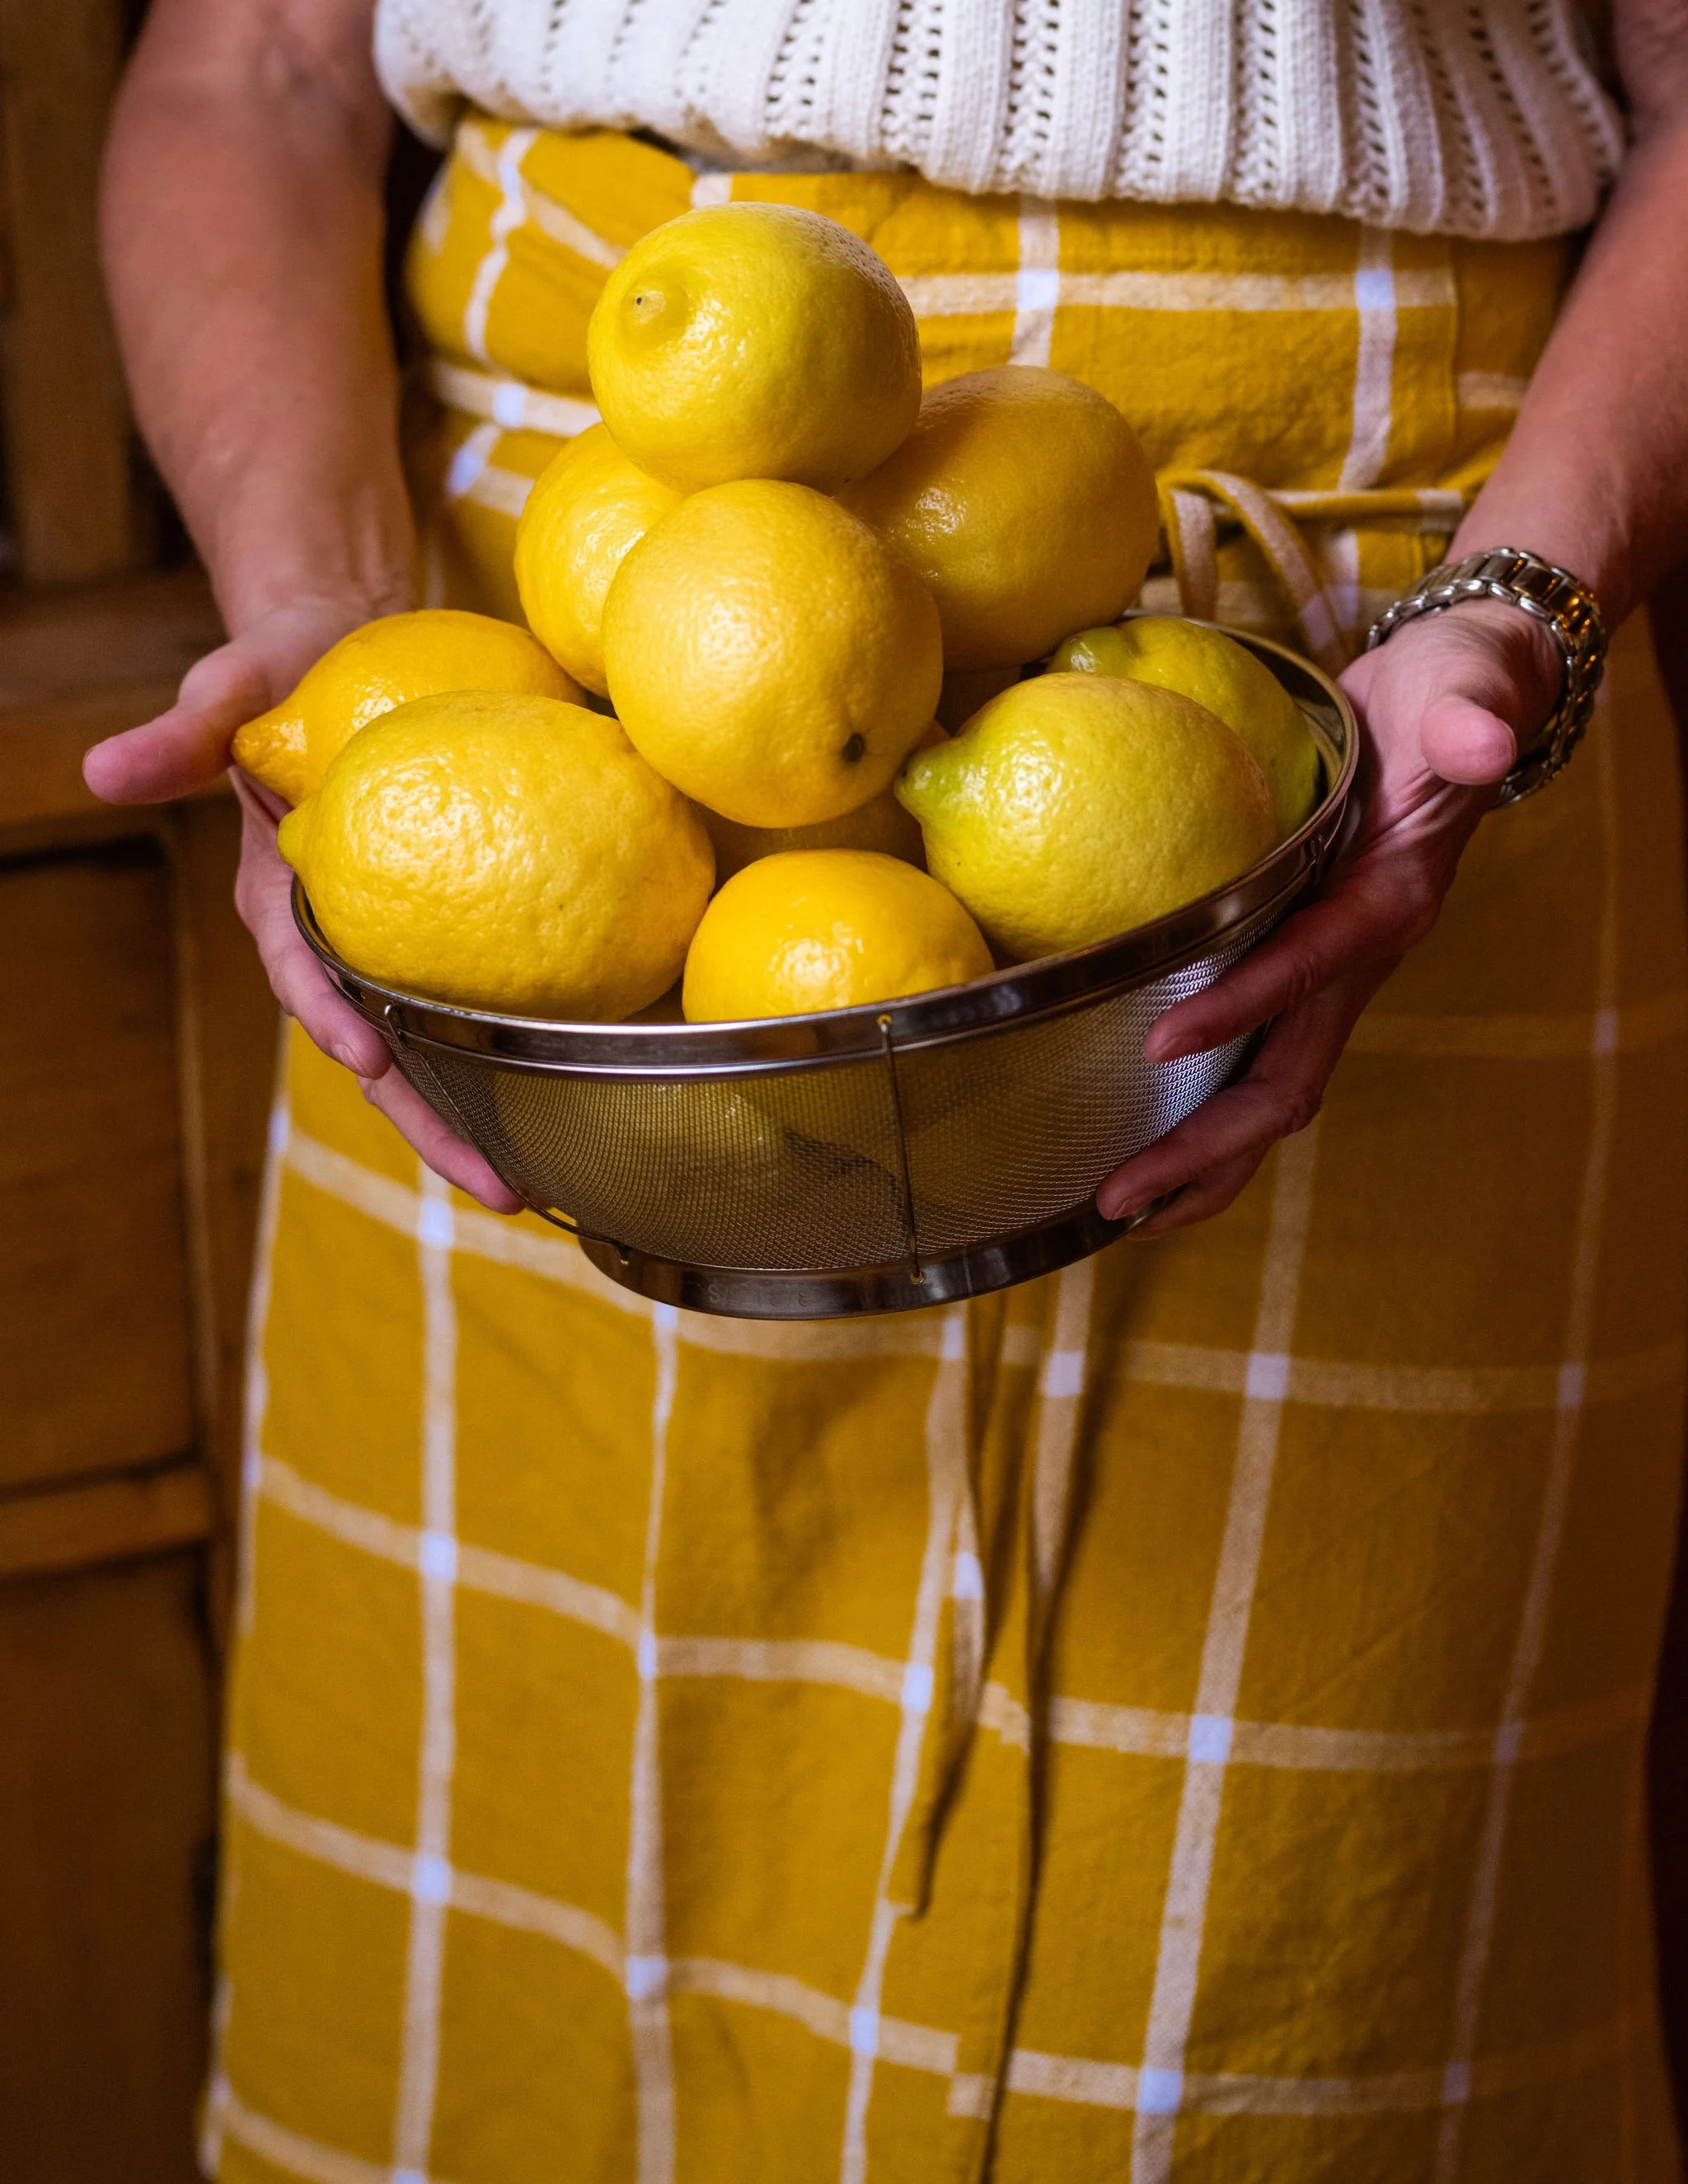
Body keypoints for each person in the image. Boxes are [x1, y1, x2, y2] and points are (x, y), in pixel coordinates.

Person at [87, 0, 1688, 2176]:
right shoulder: (460, 741)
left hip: (1329, 716)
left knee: (1272, 2018)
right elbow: (253, 67)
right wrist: (336, 647)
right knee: (499, 2025)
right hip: (559, 714)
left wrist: (1523, 598)